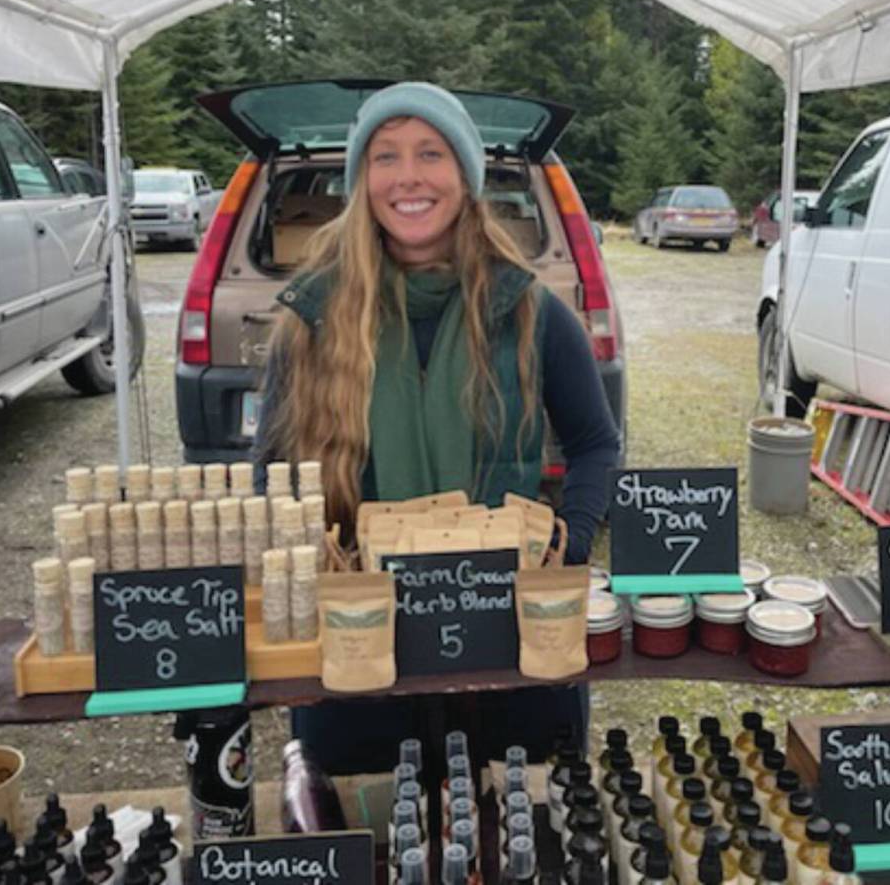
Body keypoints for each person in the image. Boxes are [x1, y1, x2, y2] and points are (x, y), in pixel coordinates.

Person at [253, 81, 619, 772]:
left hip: (509, 638)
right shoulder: (313, 314)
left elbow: (596, 443)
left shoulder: (529, 309)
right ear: (362, 179)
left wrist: (563, 554)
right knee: (370, 822)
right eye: (385, 156)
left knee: (520, 827)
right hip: (358, 643)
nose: (408, 176)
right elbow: (269, 471)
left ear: (465, 176)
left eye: (431, 153)